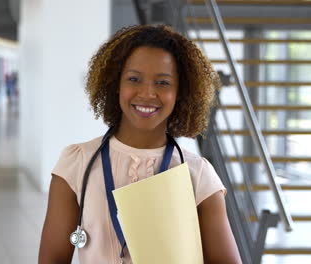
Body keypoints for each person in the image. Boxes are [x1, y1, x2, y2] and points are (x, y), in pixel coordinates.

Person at [38, 25, 242, 264]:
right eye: (134, 79)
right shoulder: (76, 164)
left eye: (163, 83)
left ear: (181, 93)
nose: (147, 93)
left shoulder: (197, 175)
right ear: (115, 84)